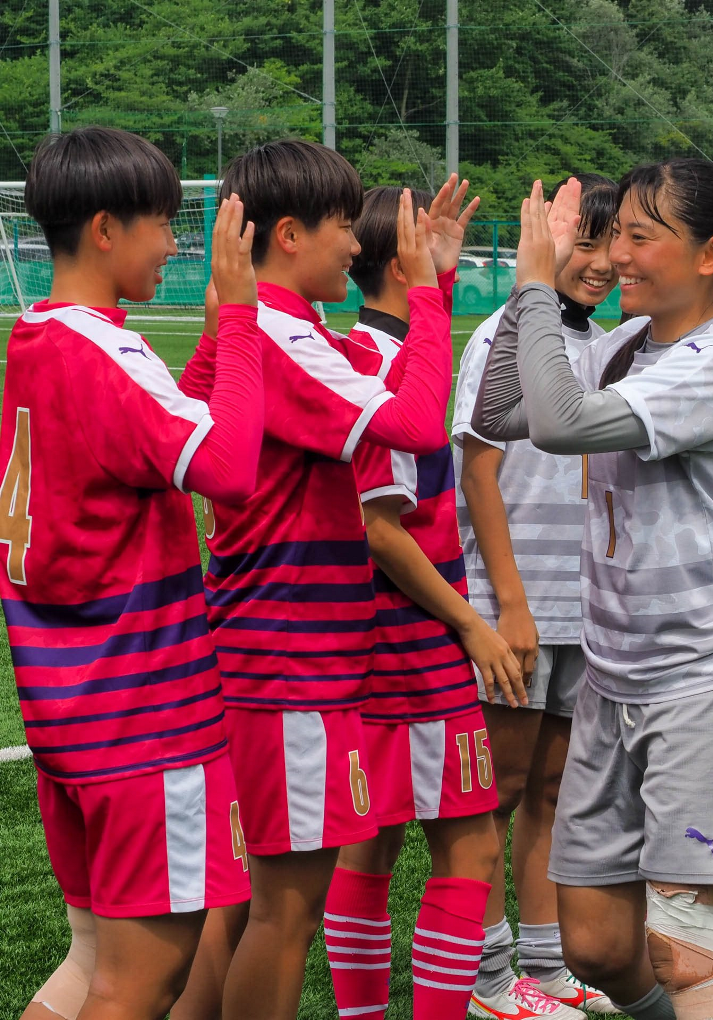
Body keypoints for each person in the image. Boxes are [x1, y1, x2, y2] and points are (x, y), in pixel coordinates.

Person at [472, 160, 713, 1020]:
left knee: (683, 952)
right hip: (617, 680)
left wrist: (542, 288)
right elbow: (503, 412)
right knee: (599, 946)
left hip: (704, 682)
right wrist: (531, 295)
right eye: (612, 233)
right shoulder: (623, 346)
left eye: (639, 236)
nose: (617, 255)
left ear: (711, 253)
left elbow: (560, 423)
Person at [180, 141, 458, 1020]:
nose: (356, 244)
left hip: (282, 653)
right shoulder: (278, 332)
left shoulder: (271, 329)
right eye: (344, 225)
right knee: (285, 905)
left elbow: (383, 385)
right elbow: (416, 423)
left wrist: (437, 289)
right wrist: (418, 289)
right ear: (291, 235)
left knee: (247, 897)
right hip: (288, 657)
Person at [2, 126, 262, 1019]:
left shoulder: (39, 337)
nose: (178, 246)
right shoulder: (105, 353)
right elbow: (226, 466)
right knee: (144, 983)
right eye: (164, 225)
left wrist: (216, 340)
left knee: (87, 968)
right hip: (144, 722)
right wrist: (242, 318)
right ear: (107, 229)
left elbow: (168, 423)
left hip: (69, 711)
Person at [320, 182, 527, 1020]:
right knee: (466, 844)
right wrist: (473, 623)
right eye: (430, 250)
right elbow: (379, 527)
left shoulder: (390, 347)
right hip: (409, 635)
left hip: (384, 634)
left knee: (374, 846)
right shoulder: (376, 361)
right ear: (398, 258)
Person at [451, 174, 622, 1020]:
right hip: (516, 604)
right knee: (499, 789)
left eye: (609, 245)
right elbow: (478, 470)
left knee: (557, 789)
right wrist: (508, 605)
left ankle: (549, 968)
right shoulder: (508, 330)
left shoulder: (608, 344)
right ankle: (484, 980)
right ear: (542, 240)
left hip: (584, 606)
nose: (599, 263)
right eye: (582, 242)